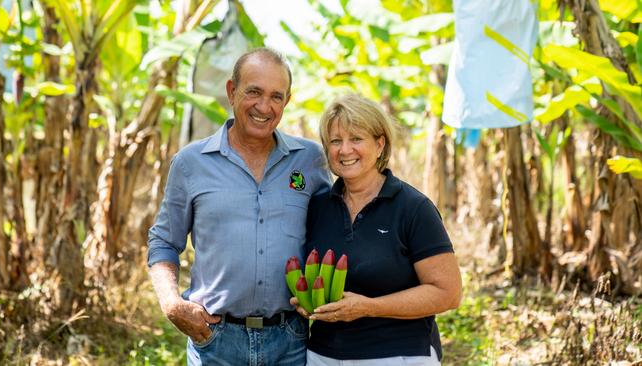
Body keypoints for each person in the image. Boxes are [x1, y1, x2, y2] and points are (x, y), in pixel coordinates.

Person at [147, 47, 331, 365]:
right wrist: (171, 303)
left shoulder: (310, 160)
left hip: (291, 340)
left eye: (276, 96)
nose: (264, 106)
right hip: (216, 340)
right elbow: (164, 241)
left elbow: (332, 230)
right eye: (254, 92)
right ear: (232, 91)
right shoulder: (191, 163)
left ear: (287, 101)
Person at [293, 94, 462, 365]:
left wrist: (369, 308)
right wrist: (307, 301)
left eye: (356, 139)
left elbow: (448, 293)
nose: (344, 150)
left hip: (398, 354)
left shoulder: (413, 208)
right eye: (335, 141)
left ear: (380, 144)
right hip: (323, 355)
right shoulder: (318, 206)